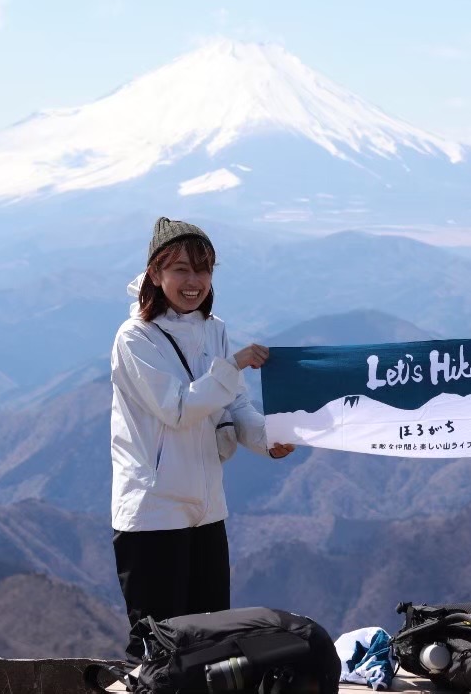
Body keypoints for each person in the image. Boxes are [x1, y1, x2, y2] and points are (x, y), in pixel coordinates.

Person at [110, 217, 295, 658]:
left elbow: (234, 407)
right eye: (181, 270)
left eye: (203, 269)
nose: (193, 282)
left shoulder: (215, 330)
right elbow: (178, 409)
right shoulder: (136, 336)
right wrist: (233, 366)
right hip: (154, 512)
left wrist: (267, 439)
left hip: (207, 507)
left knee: (212, 645)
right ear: (155, 273)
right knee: (160, 649)